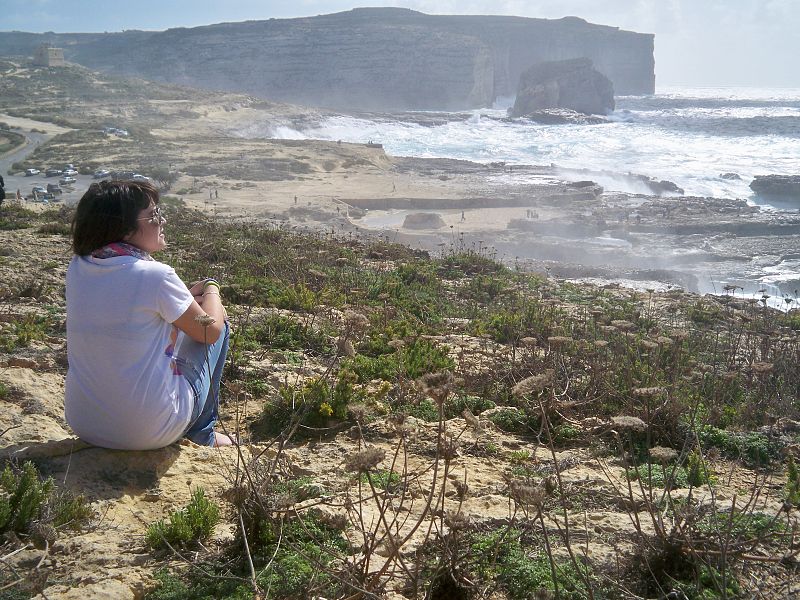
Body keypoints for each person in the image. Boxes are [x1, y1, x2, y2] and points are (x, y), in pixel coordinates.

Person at [65, 180, 233, 450]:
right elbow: (208, 329)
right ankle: (204, 433)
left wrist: (184, 300)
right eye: (153, 215)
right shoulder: (156, 277)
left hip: (85, 423)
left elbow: (128, 311)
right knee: (219, 322)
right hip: (147, 431)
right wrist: (211, 289)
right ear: (126, 228)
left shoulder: (78, 268)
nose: (162, 220)